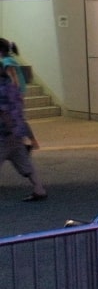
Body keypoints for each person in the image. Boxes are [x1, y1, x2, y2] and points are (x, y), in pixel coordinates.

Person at [1, 66, 46, 201]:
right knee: (26, 165)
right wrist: (31, 137)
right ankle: (39, 190)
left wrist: (9, 128)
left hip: (4, 136)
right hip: (18, 135)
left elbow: (3, 113)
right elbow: (20, 116)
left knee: (24, 163)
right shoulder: (14, 90)